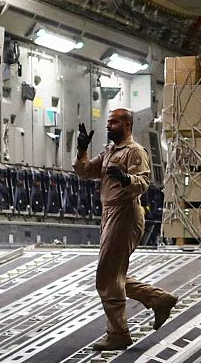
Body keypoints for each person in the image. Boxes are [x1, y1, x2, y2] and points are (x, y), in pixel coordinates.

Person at [74, 109, 177, 350]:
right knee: (113, 274)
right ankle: (159, 299)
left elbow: (143, 183)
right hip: (110, 213)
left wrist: (125, 178)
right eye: (108, 122)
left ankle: (118, 333)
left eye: (114, 122)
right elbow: (86, 171)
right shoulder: (110, 151)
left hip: (125, 213)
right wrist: (81, 150)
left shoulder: (135, 152)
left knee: (106, 276)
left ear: (127, 125)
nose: (108, 126)